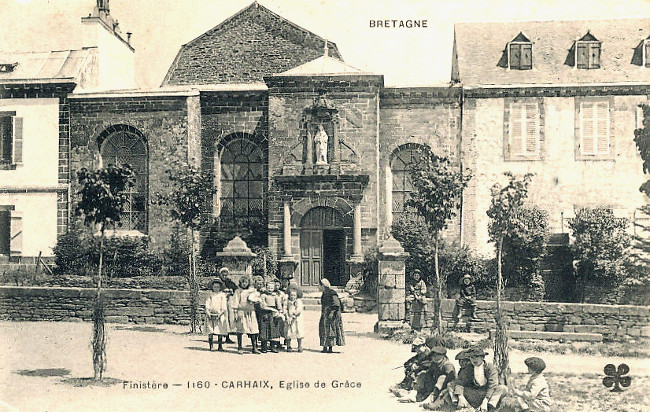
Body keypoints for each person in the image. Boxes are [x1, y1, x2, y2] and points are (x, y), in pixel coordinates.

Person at [454, 347, 508, 411]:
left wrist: (486, 400)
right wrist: (460, 396)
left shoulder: (490, 367)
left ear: (482, 358)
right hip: (475, 392)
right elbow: (460, 382)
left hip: (488, 392)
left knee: (503, 388)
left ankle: (490, 405)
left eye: (476, 357)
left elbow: (493, 385)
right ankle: (466, 406)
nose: (474, 360)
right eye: (471, 357)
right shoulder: (468, 368)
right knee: (453, 386)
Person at [231, 276, 260, 354]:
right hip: (241, 311)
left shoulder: (252, 291)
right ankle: (239, 347)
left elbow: (257, 299)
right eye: (243, 282)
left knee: (253, 329)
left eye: (246, 282)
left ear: (248, 283)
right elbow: (235, 302)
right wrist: (236, 312)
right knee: (240, 329)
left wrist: (254, 301)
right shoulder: (238, 291)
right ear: (240, 283)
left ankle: (254, 347)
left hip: (250, 312)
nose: (244, 284)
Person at [318, 278, 345, 353]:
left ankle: (330, 347)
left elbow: (336, 304)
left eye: (319, 285)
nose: (318, 287)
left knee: (331, 330)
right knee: (324, 330)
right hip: (326, 314)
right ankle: (325, 346)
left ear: (323, 286)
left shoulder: (331, 293)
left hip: (331, 315)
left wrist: (331, 313)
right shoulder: (325, 293)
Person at [204, 278, 229, 351]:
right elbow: (207, 303)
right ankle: (211, 345)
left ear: (220, 287)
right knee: (210, 330)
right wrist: (208, 311)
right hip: (211, 315)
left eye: (218, 287)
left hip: (219, 315)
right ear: (212, 287)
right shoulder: (210, 295)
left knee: (220, 330)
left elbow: (224, 306)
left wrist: (221, 313)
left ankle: (220, 345)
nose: (216, 288)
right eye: (215, 287)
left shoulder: (222, 295)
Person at [259, 279, 282, 353]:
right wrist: (271, 309)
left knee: (273, 329)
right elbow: (262, 306)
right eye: (268, 288)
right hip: (265, 313)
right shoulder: (263, 295)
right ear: (266, 287)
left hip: (273, 315)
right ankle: (264, 346)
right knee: (264, 329)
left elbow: (278, 305)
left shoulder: (275, 296)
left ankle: (273, 346)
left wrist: (279, 311)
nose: (270, 289)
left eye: (271, 288)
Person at [285, 285, 305, 352]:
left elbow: (299, 310)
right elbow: (285, 308)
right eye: (291, 295)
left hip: (297, 319)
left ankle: (299, 346)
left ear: (297, 296)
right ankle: (288, 345)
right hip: (289, 318)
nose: (292, 297)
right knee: (289, 331)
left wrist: (294, 315)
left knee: (298, 331)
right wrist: (287, 316)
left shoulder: (298, 301)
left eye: (294, 295)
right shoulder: (287, 301)